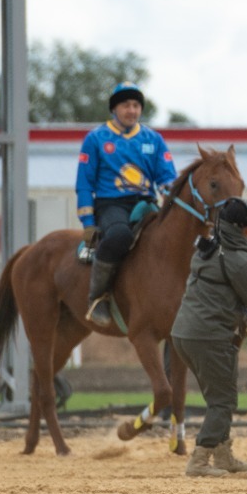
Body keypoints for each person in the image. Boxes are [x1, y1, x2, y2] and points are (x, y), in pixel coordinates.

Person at [171, 197, 247, 477]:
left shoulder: (209, 248)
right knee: (223, 402)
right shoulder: (239, 259)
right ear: (244, 229)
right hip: (211, 338)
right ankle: (199, 460)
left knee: (218, 397)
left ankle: (222, 456)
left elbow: (228, 275)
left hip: (184, 334)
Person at [76, 82, 178, 327]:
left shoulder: (154, 139)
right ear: (114, 109)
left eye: (135, 105)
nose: (131, 110)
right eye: (125, 105)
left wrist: (169, 192)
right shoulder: (96, 138)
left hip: (146, 203)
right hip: (111, 204)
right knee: (120, 236)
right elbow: (84, 183)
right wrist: (88, 222)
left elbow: (166, 177)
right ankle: (97, 297)